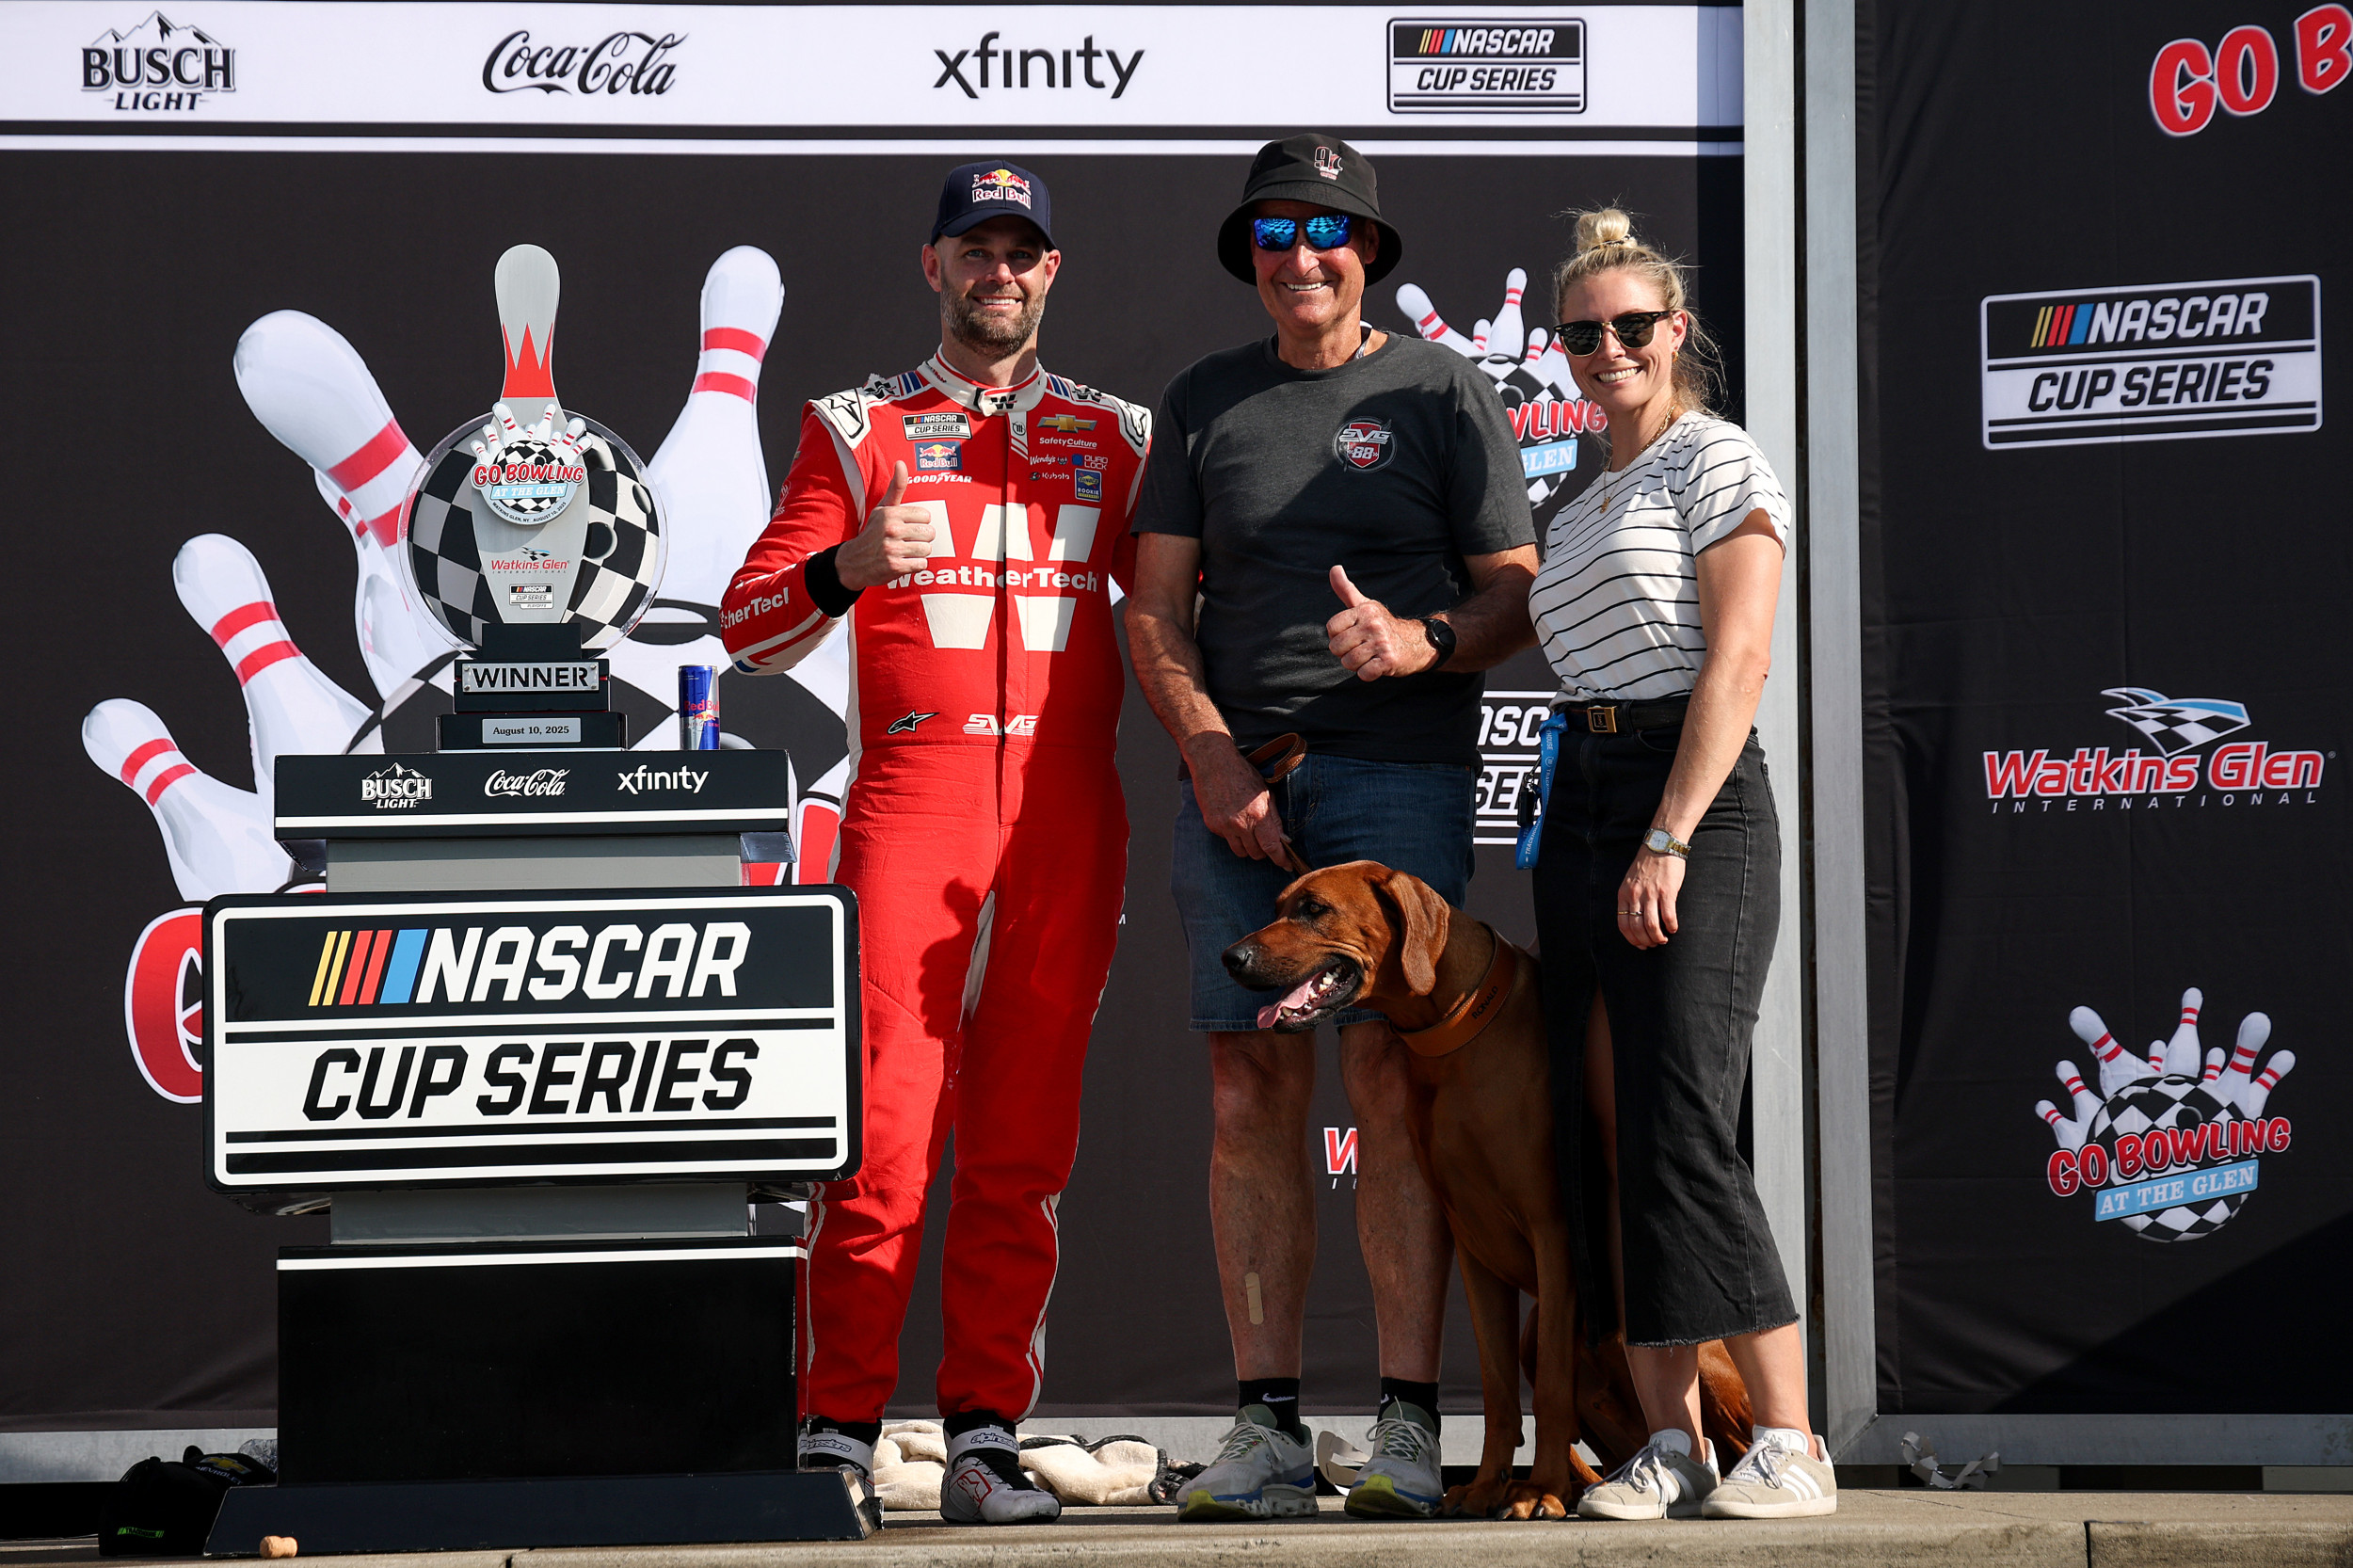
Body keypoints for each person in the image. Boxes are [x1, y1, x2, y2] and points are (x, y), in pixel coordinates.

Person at [719, 160, 1149, 1526]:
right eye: (975, 250)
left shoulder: (1120, 434)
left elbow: (1185, 618)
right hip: (914, 803)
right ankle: (837, 1429)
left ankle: (984, 1435)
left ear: (1051, 271)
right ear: (934, 265)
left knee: (1024, 1148)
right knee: (884, 1136)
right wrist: (849, 565)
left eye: (1021, 252)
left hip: (1070, 816)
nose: (997, 273)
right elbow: (746, 623)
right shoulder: (858, 428)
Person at [1122, 133, 1539, 1523]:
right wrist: (1206, 751)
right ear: (1248, 255)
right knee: (1247, 1091)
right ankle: (1265, 1431)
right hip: (1240, 787)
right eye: (1274, 232)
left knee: (1391, 1086)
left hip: (1395, 777)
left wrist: (1423, 640)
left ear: (1369, 251)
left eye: (1327, 231)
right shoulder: (1203, 398)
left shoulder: (1442, 387)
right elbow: (1152, 610)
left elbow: (1516, 590)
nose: (1301, 255)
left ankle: (1408, 1425)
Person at [1521, 207, 1833, 1520]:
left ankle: (1793, 1440)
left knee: (1681, 1121)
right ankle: (1672, 1442)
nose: (1608, 350)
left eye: (1631, 326)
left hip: (1687, 800)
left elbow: (1740, 659)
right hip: (1581, 797)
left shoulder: (1718, 457)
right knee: (1607, 1136)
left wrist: (1669, 834)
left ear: (1677, 329)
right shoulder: (1573, 494)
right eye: (1582, 334)